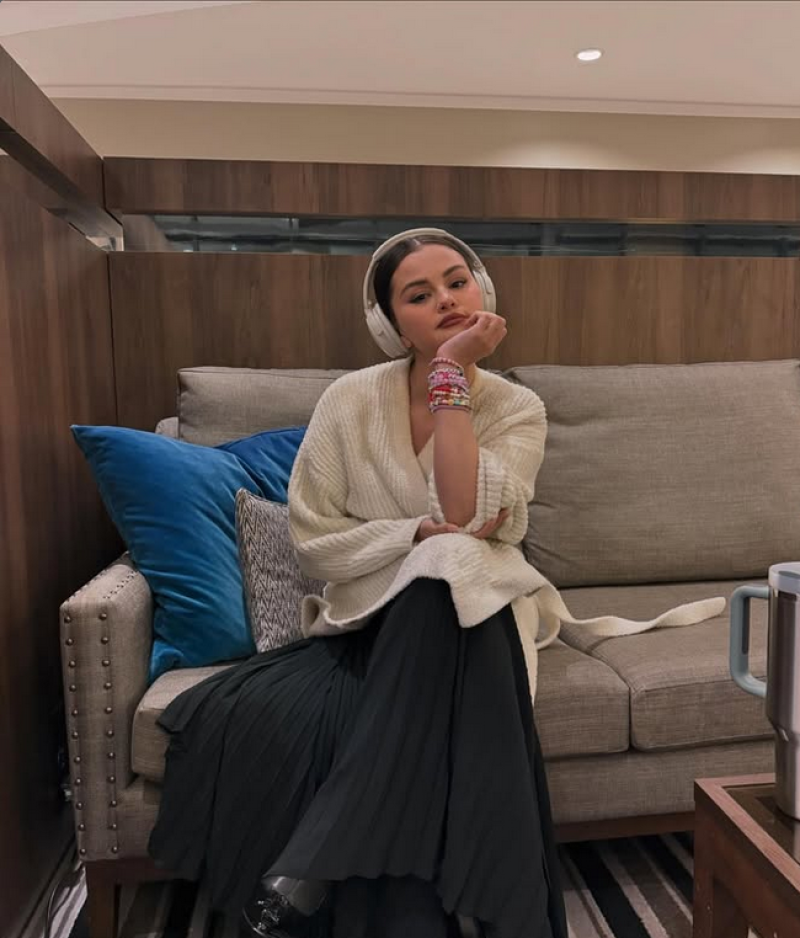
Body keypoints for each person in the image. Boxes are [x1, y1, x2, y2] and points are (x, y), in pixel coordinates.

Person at [149, 228, 721, 937]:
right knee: (440, 555)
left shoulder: (516, 408)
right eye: (419, 295)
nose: (446, 300)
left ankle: (321, 864)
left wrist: (449, 374)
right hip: (371, 613)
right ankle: (492, 915)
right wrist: (410, 537)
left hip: (480, 606)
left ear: (483, 289)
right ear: (390, 324)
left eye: (456, 281)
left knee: (453, 556)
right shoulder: (348, 400)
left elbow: (467, 513)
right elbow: (314, 538)